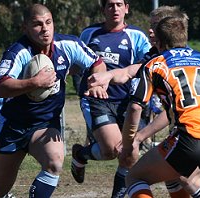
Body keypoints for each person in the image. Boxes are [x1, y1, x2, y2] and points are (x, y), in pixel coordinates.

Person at [0, 4, 107, 198]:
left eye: (48, 22)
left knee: (55, 162)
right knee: (0, 189)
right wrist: (34, 82)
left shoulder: (68, 45)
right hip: (13, 126)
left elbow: (97, 63)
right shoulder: (18, 52)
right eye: (37, 24)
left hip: (44, 124)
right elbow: (0, 87)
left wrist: (99, 83)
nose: (45, 29)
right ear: (25, 27)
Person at [120, 16, 200, 198]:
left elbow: (135, 108)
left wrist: (128, 145)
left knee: (135, 177)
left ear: (158, 42)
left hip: (187, 138)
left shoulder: (155, 64)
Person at [70, 0, 151, 197]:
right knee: (111, 149)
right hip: (96, 100)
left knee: (129, 154)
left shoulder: (137, 36)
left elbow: (150, 63)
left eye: (119, 4)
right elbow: (77, 64)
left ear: (127, 8)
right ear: (103, 9)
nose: (115, 9)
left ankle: (82, 155)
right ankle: (81, 154)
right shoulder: (89, 34)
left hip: (127, 102)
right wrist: (83, 86)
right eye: (110, 5)